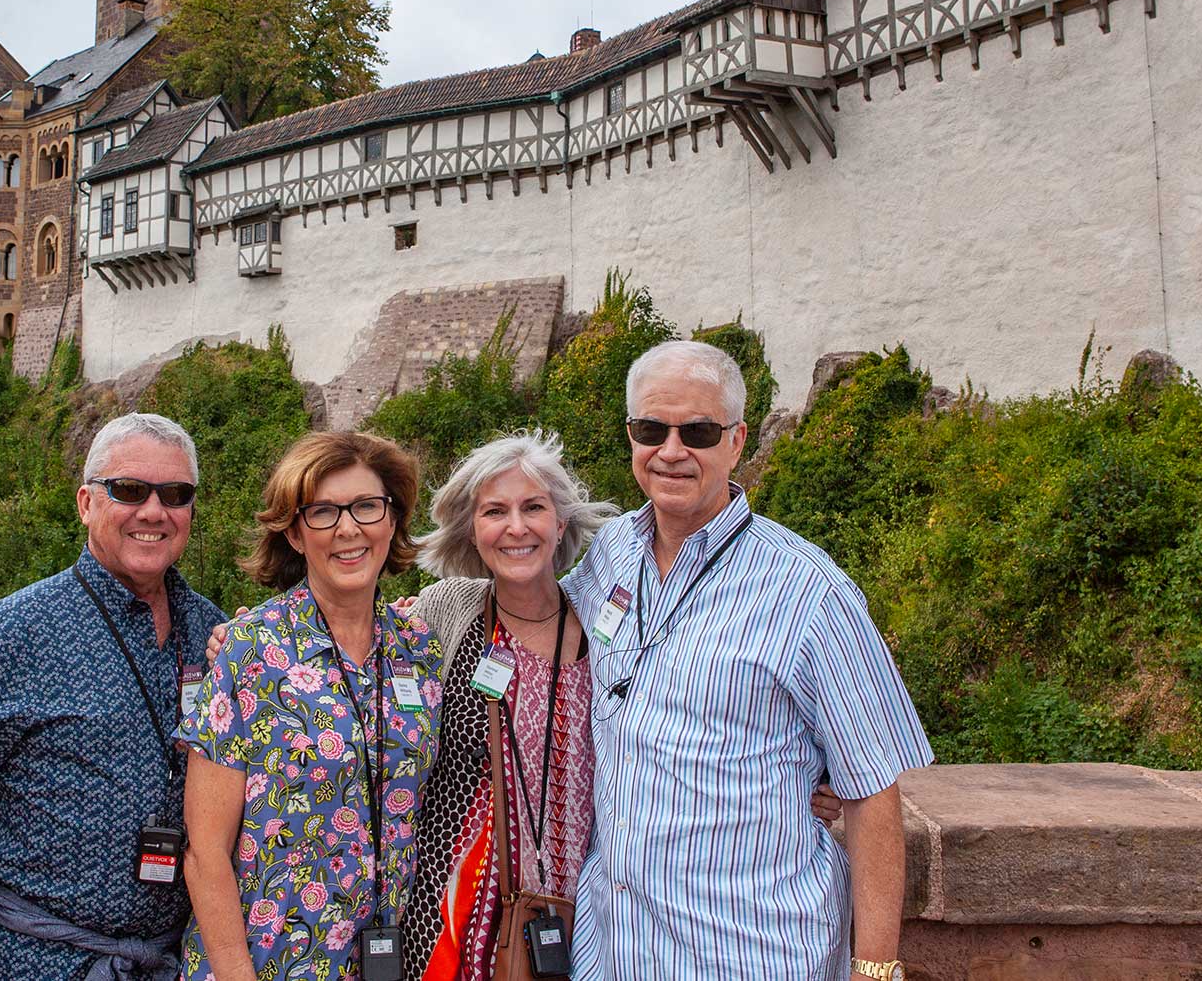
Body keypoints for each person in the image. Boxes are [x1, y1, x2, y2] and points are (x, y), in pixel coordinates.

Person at [566, 341, 933, 981]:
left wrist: (876, 970)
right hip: (615, 946)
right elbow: (532, 619)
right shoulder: (612, 552)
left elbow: (873, 793)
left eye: (698, 431)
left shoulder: (810, 590)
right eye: (651, 429)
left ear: (736, 443)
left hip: (748, 949)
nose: (671, 451)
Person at [0, 412, 226, 981]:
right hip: (38, 963)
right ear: (86, 503)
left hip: (175, 963)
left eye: (174, 494)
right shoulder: (17, 630)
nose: (153, 511)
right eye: (129, 490)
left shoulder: (212, 632)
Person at [179, 431, 443, 981]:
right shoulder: (249, 650)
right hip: (265, 964)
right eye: (323, 512)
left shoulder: (418, 648)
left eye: (367, 506)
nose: (348, 528)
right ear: (295, 534)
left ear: (392, 519)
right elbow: (205, 852)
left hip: (388, 960)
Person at [397, 431, 617, 981]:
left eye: (534, 507)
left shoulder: (604, 623)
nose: (516, 527)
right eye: (495, 511)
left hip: (583, 912)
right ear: (473, 531)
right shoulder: (449, 609)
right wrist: (238, 643)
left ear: (561, 523)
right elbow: (353, 651)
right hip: (449, 909)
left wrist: (813, 777)